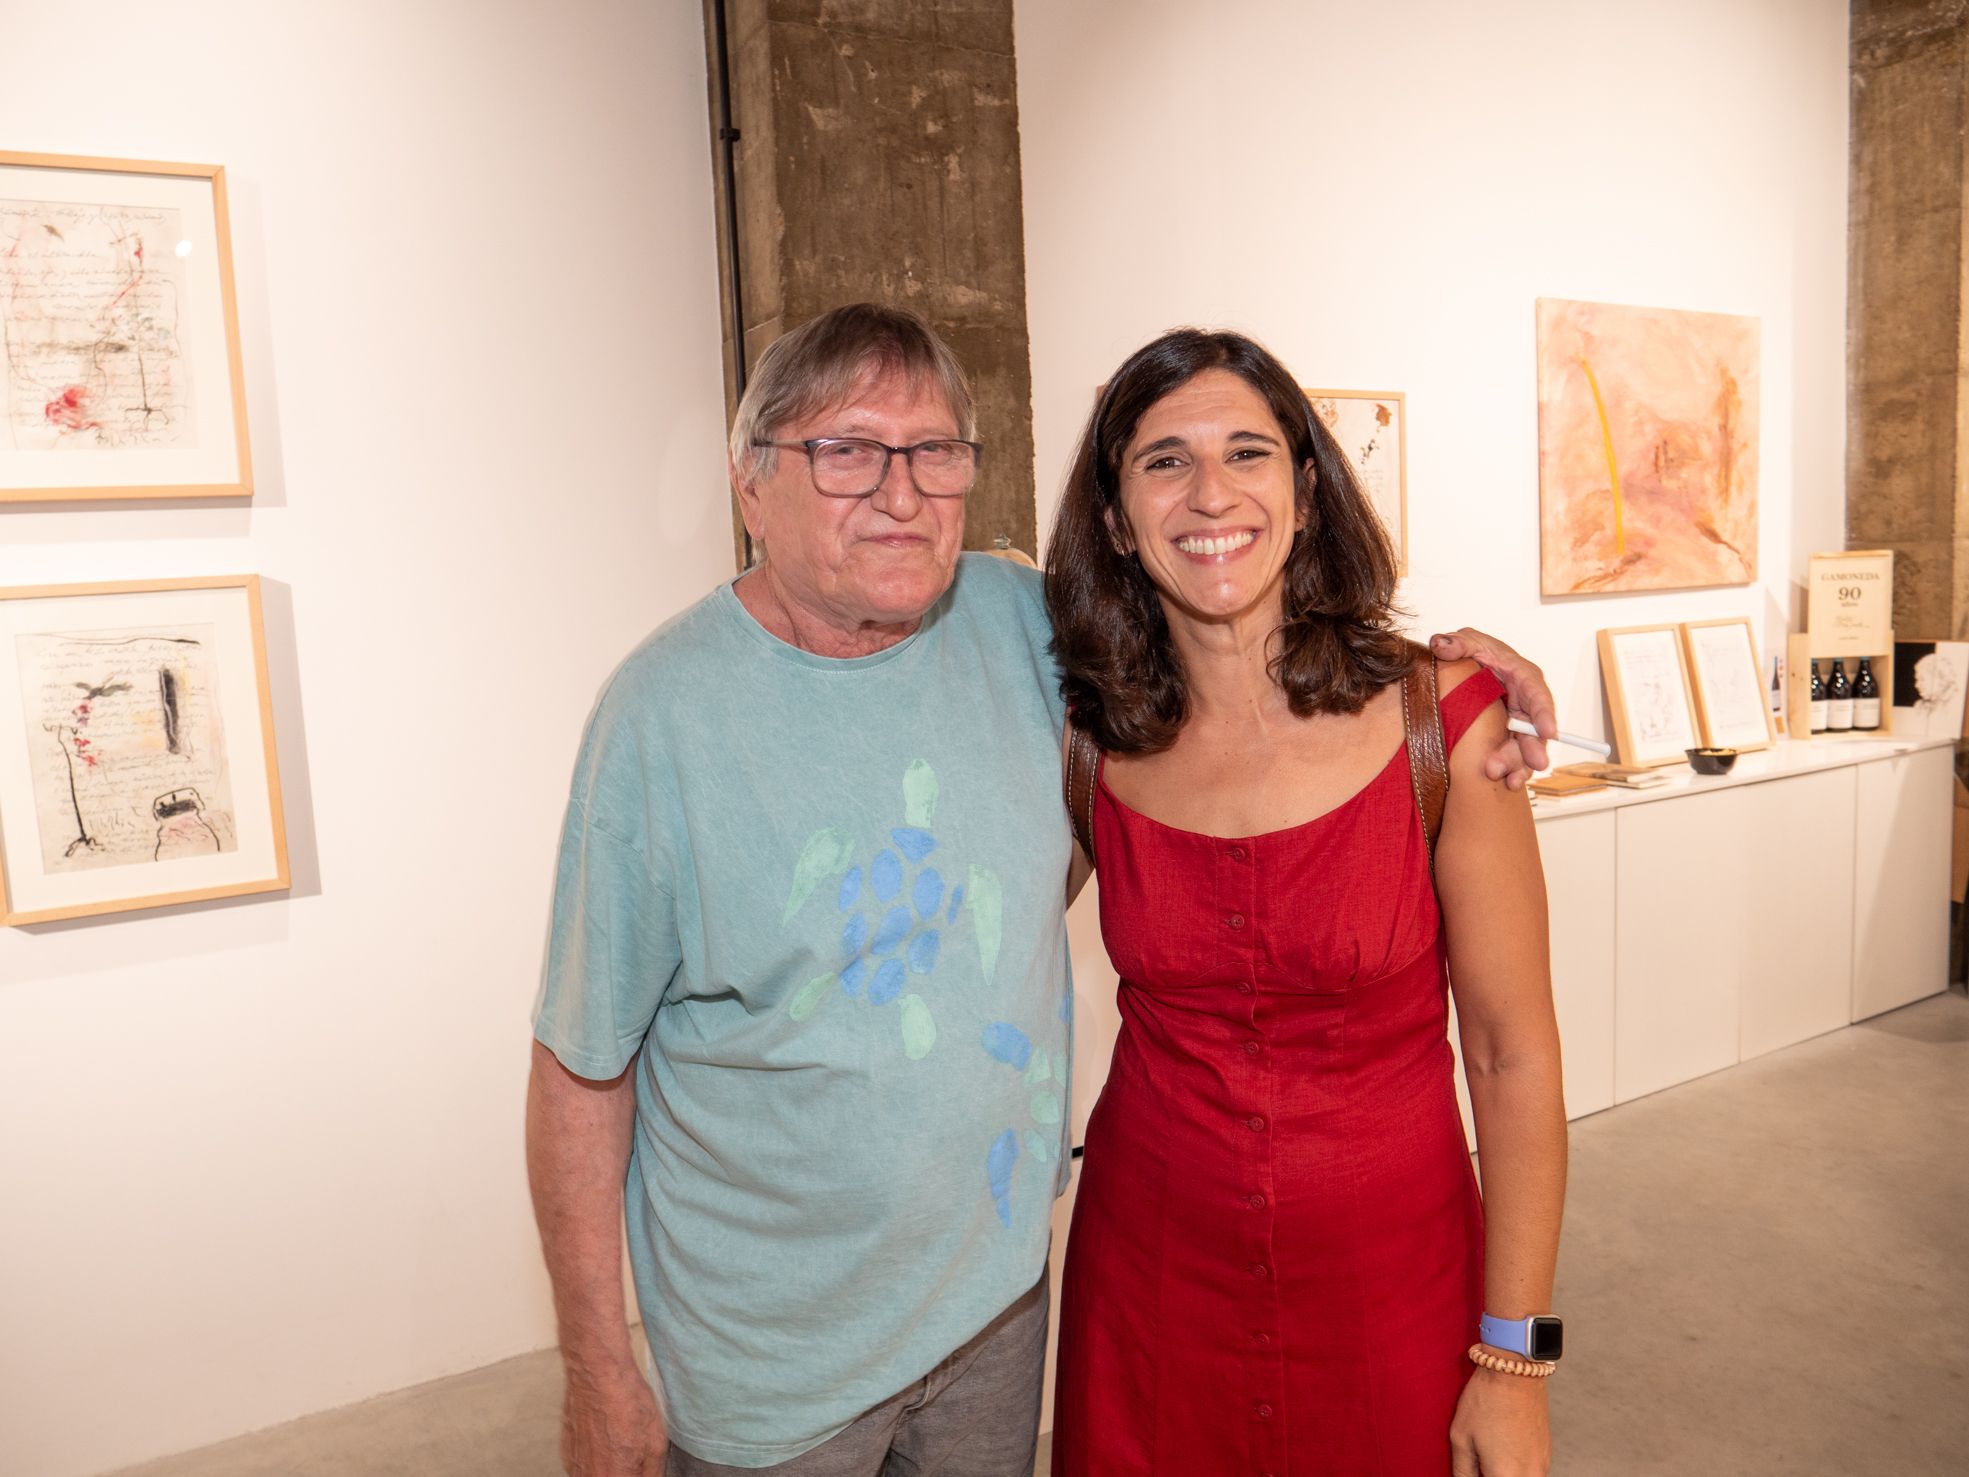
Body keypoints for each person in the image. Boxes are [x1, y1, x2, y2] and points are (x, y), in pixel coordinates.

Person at [526, 303, 1560, 1477]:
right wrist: (597, 1364)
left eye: (933, 453)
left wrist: (1514, 1353)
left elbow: (1510, 1049)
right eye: (847, 450)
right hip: (860, 1346)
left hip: (1039, 1312)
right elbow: (579, 1062)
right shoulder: (676, 718)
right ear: (749, 480)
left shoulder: (1038, 639)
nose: (900, 493)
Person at [1045, 329, 1568, 1477]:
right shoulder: (1086, 739)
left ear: (1306, 486)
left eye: (1248, 451)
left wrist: (1515, 1358)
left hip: (1395, 1290)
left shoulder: (1443, 721)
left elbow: (1511, 1053)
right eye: (1162, 461)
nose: (1213, 493)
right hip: (1149, 1281)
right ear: (1119, 517)